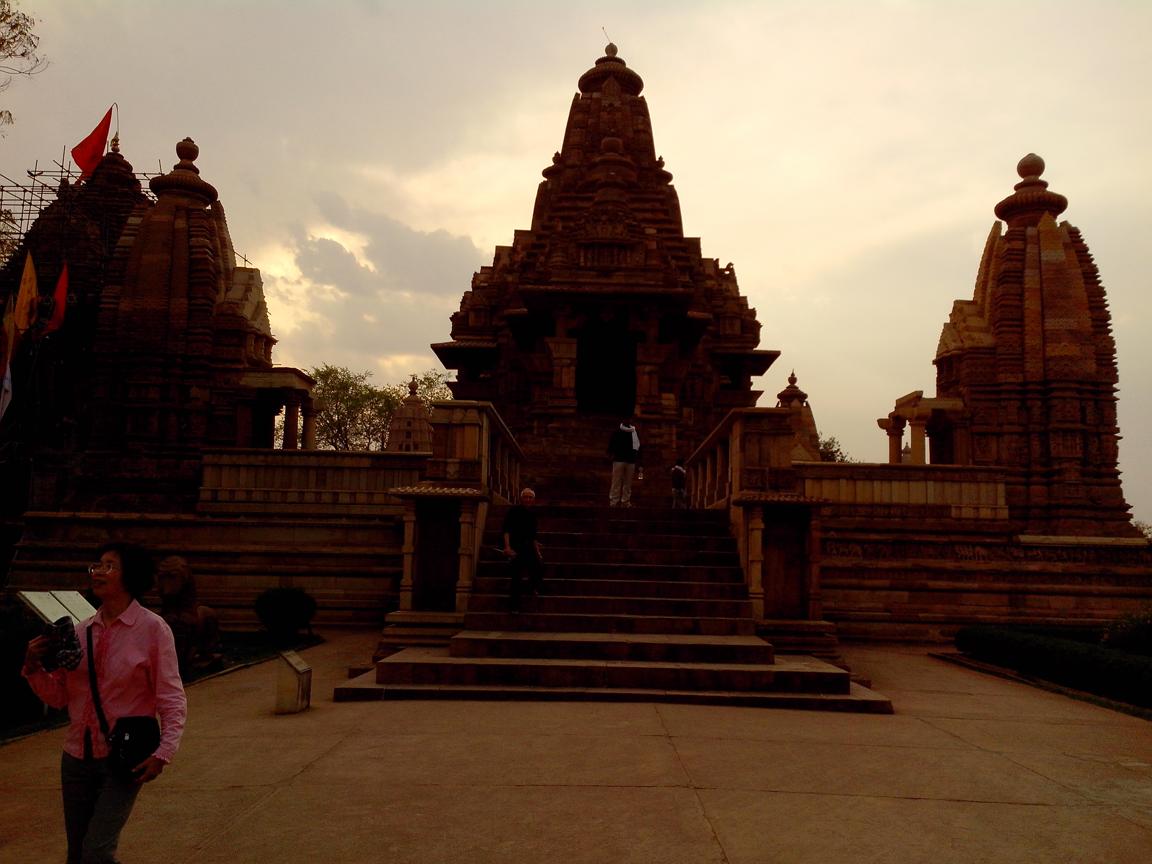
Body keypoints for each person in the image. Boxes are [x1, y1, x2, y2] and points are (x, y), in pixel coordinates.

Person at [23, 541, 187, 864]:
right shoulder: (80, 632)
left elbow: (171, 696)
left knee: (96, 852)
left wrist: (164, 752)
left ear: (131, 576)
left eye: (109, 566)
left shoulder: (153, 630)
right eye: (96, 565)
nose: (98, 572)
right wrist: (32, 666)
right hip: (76, 759)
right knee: (77, 855)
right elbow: (60, 697)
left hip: (123, 757)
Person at [502, 488, 544, 612]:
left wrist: (538, 552)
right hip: (516, 547)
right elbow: (506, 530)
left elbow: (533, 536)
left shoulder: (533, 515)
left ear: (533, 500)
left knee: (538, 568)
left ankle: (531, 588)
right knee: (516, 577)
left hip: (529, 547)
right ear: (521, 498)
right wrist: (507, 547)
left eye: (530, 497)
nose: (528, 499)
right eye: (525, 497)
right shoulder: (513, 511)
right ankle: (514, 607)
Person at [607, 416, 642, 507]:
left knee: (628, 483)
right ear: (623, 420)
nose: (628, 420)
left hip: (630, 460)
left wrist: (638, 460)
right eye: (626, 419)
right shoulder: (617, 431)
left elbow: (638, 448)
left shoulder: (634, 432)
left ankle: (625, 501)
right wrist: (610, 454)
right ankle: (614, 501)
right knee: (616, 481)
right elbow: (612, 443)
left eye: (629, 419)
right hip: (619, 459)